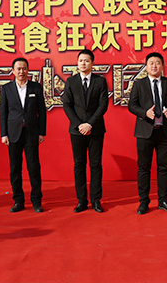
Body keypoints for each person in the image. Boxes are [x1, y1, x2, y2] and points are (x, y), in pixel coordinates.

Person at [128, 52, 167, 214]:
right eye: (151, 63)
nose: (154, 66)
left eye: (157, 63)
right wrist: (145, 113)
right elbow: (132, 105)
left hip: (165, 132)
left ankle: (163, 200)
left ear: (162, 66)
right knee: (144, 168)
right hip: (145, 131)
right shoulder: (139, 84)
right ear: (146, 66)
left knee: (164, 167)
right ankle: (144, 202)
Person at [62, 49, 109, 213]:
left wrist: (89, 124)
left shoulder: (100, 81)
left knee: (96, 165)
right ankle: (81, 200)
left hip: (95, 129)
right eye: (80, 60)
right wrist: (79, 125)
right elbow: (67, 105)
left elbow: (103, 105)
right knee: (79, 165)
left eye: (87, 60)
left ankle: (96, 200)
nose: (83, 63)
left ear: (92, 63)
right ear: (77, 63)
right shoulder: (71, 82)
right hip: (76, 131)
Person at [0, 57, 46, 213]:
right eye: (18, 69)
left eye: (24, 68)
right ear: (13, 71)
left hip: (31, 133)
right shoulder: (6, 89)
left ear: (28, 70)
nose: (21, 71)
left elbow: (42, 112)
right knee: (15, 169)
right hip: (13, 134)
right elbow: (3, 113)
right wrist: (3, 134)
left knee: (34, 168)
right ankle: (18, 201)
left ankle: (36, 201)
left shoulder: (35, 88)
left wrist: (41, 132)